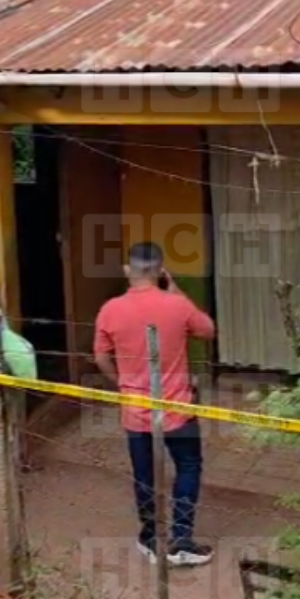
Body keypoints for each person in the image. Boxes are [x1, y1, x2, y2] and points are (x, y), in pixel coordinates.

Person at [93, 241, 216, 567]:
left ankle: (149, 538)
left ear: (126, 270)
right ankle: (181, 540)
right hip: (178, 410)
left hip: (135, 412)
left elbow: (101, 357)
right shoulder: (177, 306)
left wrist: (121, 383)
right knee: (188, 467)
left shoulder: (109, 310)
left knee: (144, 475)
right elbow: (208, 331)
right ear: (160, 271)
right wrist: (176, 291)